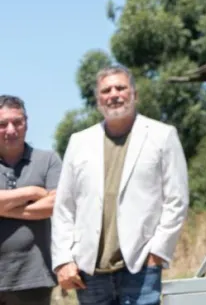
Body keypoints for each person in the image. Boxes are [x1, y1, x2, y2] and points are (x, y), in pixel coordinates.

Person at [51, 66, 189, 305]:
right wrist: (63, 259)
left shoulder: (162, 135)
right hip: (90, 271)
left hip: (140, 267)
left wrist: (157, 253)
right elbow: (64, 207)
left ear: (134, 94)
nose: (114, 94)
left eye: (120, 88)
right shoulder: (79, 142)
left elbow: (177, 200)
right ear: (98, 100)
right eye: (106, 90)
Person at [0, 96, 62, 305]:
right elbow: (43, 201)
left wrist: (5, 208)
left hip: (34, 277)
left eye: (17, 122)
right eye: (2, 124)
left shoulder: (48, 160)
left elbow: (55, 204)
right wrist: (32, 192)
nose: (11, 130)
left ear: (26, 123)